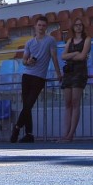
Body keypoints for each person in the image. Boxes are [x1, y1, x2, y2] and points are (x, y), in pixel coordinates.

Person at [10, 15, 62, 143]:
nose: (41, 27)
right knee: (26, 105)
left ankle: (17, 127)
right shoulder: (29, 42)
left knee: (29, 104)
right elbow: (24, 60)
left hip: (39, 76)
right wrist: (28, 62)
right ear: (35, 26)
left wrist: (58, 73)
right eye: (39, 25)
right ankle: (29, 133)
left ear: (46, 27)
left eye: (43, 25)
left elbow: (54, 57)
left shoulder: (50, 40)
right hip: (27, 75)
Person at [59, 18, 91, 142]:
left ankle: (70, 134)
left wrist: (71, 56)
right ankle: (65, 133)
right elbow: (63, 56)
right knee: (68, 103)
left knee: (75, 102)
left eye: (80, 25)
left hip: (79, 72)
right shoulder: (69, 41)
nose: (78, 27)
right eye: (76, 25)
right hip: (69, 72)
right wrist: (75, 53)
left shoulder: (87, 39)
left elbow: (83, 56)